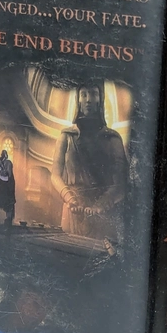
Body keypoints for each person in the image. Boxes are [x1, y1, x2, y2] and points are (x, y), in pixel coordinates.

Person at [51, 84, 128, 242]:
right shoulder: (66, 136)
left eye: (93, 94)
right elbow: (55, 175)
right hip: (72, 211)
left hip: (102, 215)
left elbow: (121, 183)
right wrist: (70, 198)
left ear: (100, 99)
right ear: (78, 100)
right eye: (84, 94)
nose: (88, 100)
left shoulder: (113, 139)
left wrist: (101, 205)